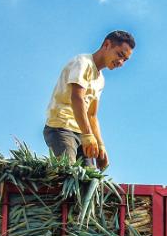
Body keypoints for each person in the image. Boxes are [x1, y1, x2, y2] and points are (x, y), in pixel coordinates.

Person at [43, 30, 135, 170]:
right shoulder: (83, 62)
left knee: (89, 177)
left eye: (125, 60)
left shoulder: (100, 79)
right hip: (61, 127)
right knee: (69, 173)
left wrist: (100, 145)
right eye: (120, 55)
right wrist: (87, 134)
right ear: (107, 45)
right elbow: (77, 97)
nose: (121, 62)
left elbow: (91, 115)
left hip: (82, 132)